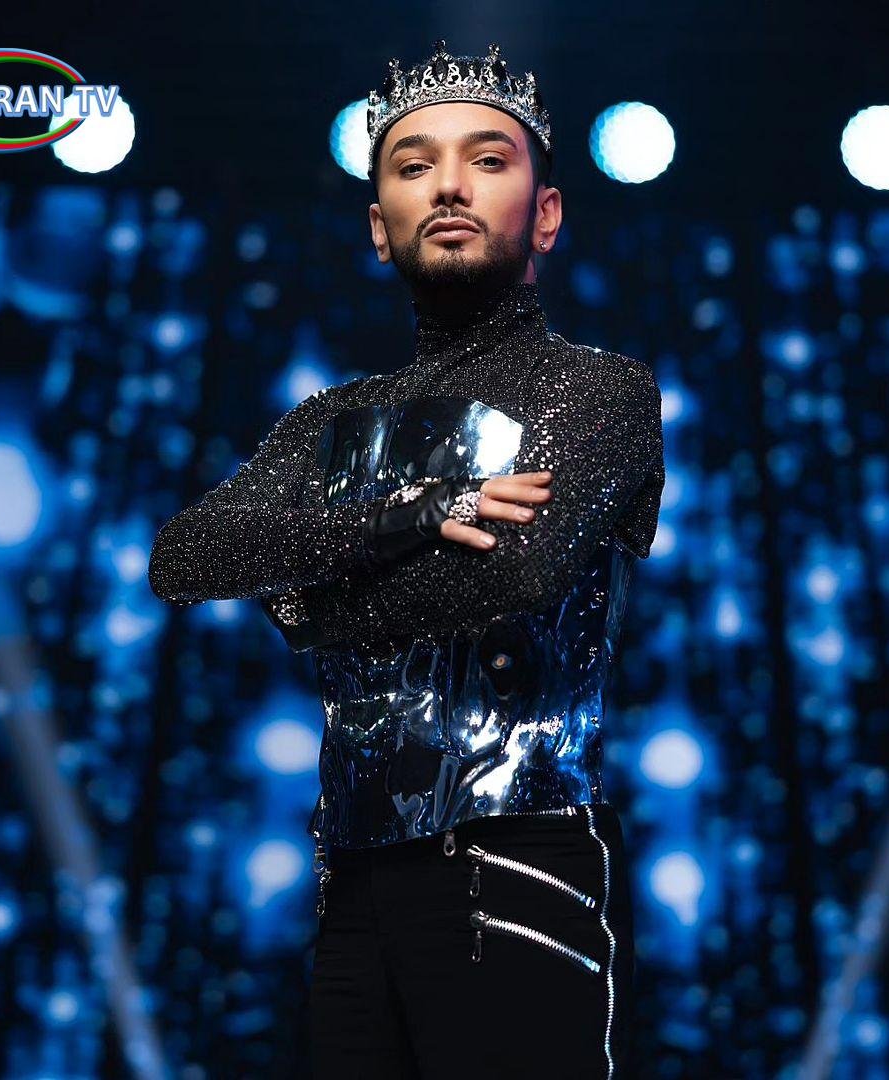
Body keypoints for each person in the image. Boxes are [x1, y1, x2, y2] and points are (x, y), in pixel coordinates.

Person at [149, 39, 664, 1079]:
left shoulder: (598, 390)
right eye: (415, 164)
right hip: (351, 885)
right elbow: (186, 555)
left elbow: (510, 578)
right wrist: (424, 512)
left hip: (517, 867)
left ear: (547, 214)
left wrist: (304, 607)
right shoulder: (326, 420)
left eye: (487, 159)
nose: (450, 186)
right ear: (379, 227)